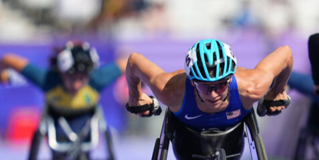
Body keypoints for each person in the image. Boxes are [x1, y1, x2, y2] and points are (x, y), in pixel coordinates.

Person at [0, 40, 127, 160]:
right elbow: (6, 59)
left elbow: (130, 63)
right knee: (61, 150)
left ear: (89, 74)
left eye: (82, 78)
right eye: (71, 77)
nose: (76, 85)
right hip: (57, 128)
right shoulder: (47, 79)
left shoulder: (98, 79)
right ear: (60, 72)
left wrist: (137, 89)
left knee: (85, 148)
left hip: (86, 129)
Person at [124, 39, 293, 128]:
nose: (213, 94)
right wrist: (135, 96)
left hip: (234, 134)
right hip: (187, 136)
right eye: (204, 85)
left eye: (220, 85)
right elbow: (133, 61)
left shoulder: (252, 86)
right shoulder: (168, 89)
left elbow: (286, 53)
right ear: (192, 82)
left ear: (229, 79)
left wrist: (278, 90)